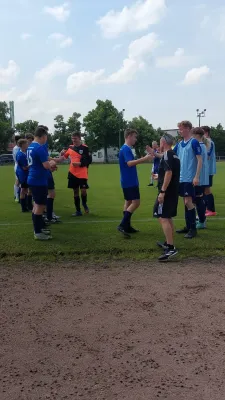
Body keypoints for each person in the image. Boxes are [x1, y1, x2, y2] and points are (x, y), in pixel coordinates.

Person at [118, 128, 151, 238]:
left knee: (128, 202)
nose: (135, 139)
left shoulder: (124, 148)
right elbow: (130, 163)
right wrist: (144, 159)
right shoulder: (126, 149)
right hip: (130, 181)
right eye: (134, 137)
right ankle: (122, 224)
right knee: (136, 202)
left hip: (126, 180)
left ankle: (127, 226)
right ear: (129, 136)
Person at [153, 134, 180, 261]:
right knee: (165, 216)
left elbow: (169, 172)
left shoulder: (168, 154)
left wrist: (162, 191)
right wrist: (159, 177)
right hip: (172, 190)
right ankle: (169, 242)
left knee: (163, 217)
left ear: (163, 142)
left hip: (167, 191)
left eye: (160, 142)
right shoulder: (174, 154)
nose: (159, 145)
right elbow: (170, 173)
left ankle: (171, 248)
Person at [174, 121, 202, 239]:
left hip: (190, 178)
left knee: (188, 202)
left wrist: (196, 176)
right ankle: (188, 226)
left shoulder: (194, 142)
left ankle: (193, 228)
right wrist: (155, 154)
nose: (179, 131)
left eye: (181, 129)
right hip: (181, 178)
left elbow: (200, 160)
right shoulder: (180, 144)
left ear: (188, 129)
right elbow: (170, 154)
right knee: (185, 202)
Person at [27, 125, 56, 240]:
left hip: (33, 178)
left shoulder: (30, 147)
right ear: (43, 137)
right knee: (39, 205)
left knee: (36, 205)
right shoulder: (39, 148)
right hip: (38, 180)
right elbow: (46, 165)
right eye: (46, 137)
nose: (46, 140)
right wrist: (52, 163)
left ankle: (38, 228)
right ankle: (38, 232)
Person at [62, 133, 92, 216]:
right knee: (75, 191)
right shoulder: (70, 148)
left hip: (82, 173)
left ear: (79, 138)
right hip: (72, 173)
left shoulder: (85, 148)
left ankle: (84, 203)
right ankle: (78, 211)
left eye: (75, 138)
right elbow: (63, 157)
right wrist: (60, 155)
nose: (73, 140)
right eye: (72, 138)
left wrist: (80, 163)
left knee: (83, 191)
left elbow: (89, 160)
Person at [191, 128, 209, 229]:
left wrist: (196, 176)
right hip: (202, 177)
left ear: (196, 134)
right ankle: (201, 219)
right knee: (198, 199)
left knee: (197, 199)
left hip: (199, 178)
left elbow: (199, 162)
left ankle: (202, 221)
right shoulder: (203, 145)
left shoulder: (199, 146)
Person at [201, 126, 217, 216]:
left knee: (207, 189)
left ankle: (211, 209)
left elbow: (207, 155)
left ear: (206, 132)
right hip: (206, 170)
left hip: (208, 170)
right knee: (204, 189)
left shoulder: (209, 142)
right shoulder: (207, 142)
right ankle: (207, 208)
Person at [16, 139, 29, 212]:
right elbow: (24, 167)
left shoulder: (25, 152)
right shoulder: (20, 155)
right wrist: (33, 165)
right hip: (23, 174)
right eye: (26, 143)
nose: (27, 144)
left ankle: (26, 205)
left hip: (24, 174)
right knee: (23, 190)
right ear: (23, 145)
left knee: (25, 189)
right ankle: (23, 207)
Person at [13, 134, 22, 202]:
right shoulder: (16, 148)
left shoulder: (18, 148)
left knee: (20, 181)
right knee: (18, 181)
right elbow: (17, 159)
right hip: (18, 165)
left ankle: (18, 195)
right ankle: (16, 196)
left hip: (19, 165)